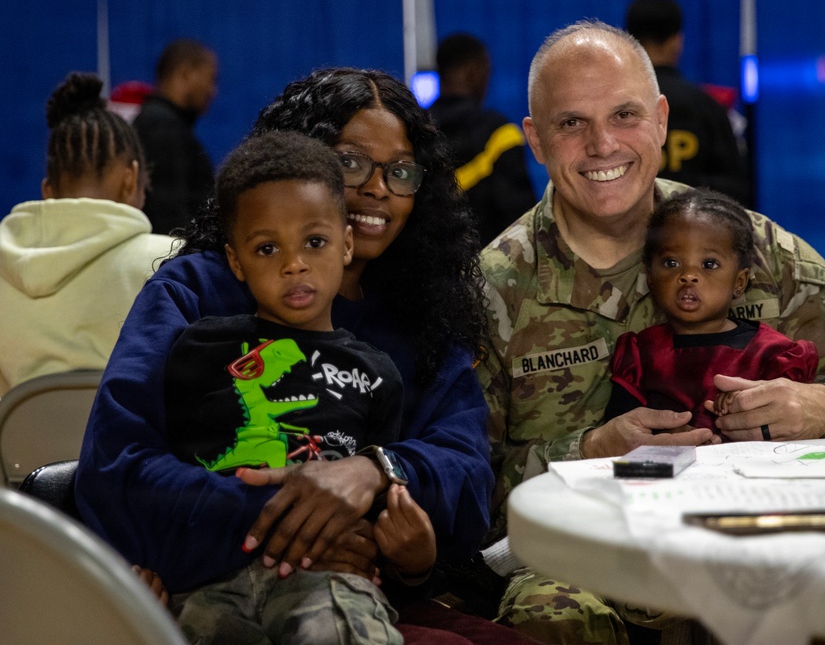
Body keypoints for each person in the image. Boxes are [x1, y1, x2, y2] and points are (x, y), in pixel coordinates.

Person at [76, 68, 539, 645]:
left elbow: (465, 476)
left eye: (399, 171)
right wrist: (292, 516)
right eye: (351, 162)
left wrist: (372, 471)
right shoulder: (194, 292)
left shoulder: (422, 320)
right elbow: (117, 463)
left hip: (363, 586)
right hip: (210, 578)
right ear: (302, 162)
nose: (377, 188)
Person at [478, 21, 825, 643]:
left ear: (660, 119)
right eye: (571, 123)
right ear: (536, 140)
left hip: (755, 539)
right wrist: (588, 452)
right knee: (550, 617)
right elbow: (468, 483)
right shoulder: (495, 289)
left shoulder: (755, 249)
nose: (603, 144)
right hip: (588, 561)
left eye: (624, 114)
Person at [162, 131, 433, 643]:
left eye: (315, 241)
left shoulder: (378, 374)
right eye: (267, 248)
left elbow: (379, 524)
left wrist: (415, 562)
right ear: (237, 261)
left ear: (347, 243)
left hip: (327, 578)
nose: (294, 264)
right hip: (206, 577)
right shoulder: (197, 350)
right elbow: (157, 473)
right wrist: (146, 560)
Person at [0, 72, 175, 395]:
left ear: (47, 191)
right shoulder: (172, 263)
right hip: (133, 445)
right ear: (130, 179)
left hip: (22, 445)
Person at [604, 188, 818, 434]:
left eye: (709, 264)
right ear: (650, 277)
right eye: (671, 263)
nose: (688, 276)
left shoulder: (772, 354)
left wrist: (744, 408)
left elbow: (793, 434)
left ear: (739, 282)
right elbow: (620, 435)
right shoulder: (641, 355)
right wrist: (661, 433)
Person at [625, 0, 749, 206]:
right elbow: (737, 190)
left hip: (627, 231)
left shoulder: (614, 106)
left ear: (629, 42)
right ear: (677, 42)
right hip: (695, 231)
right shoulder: (708, 106)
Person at [429, 33, 536, 245]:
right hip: (490, 266)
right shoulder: (500, 134)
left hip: (428, 269)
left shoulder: (416, 130)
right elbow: (519, 218)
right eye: (487, 71)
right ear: (473, 71)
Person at [133, 39, 218, 234]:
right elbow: (170, 218)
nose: (212, 91)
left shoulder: (163, 123)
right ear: (185, 74)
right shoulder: (163, 127)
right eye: (211, 79)